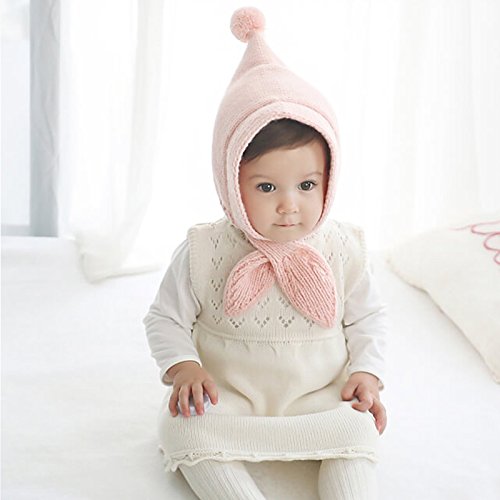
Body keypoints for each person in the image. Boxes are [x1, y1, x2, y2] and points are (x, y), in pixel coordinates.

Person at [144, 7, 388, 500]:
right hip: (231, 396)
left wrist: (367, 373)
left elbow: (368, 318)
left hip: (318, 397)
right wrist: (185, 367)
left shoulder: (343, 247)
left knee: (357, 428)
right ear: (229, 181)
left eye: (306, 185)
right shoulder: (205, 250)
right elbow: (164, 319)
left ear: (329, 179)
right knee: (183, 428)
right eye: (266, 186)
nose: (288, 204)